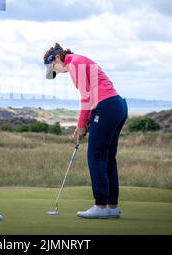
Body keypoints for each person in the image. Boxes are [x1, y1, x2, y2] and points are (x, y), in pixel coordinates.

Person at [43, 42, 128, 219]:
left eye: (54, 68)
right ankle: (112, 207)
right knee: (107, 158)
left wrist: (81, 124)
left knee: (95, 156)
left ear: (57, 58)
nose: (58, 72)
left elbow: (86, 97)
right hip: (117, 106)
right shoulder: (80, 61)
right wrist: (87, 121)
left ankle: (101, 206)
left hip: (106, 107)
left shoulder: (73, 64)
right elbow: (93, 95)